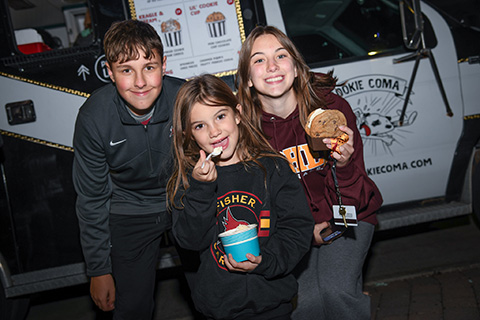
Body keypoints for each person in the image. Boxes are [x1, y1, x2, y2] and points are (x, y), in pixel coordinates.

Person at [236, 25, 383, 320]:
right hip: (290, 230)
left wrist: (343, 164)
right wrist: (302, 233)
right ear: (248, 78)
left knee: (336, 291)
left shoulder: (332, 110)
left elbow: (356, 193)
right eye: (259, 60)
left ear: (296, 65)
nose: (273, 66)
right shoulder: (246, 132)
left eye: (281, 55)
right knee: (306, 304)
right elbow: (258, 201)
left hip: (346, 215)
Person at [167, 74, 314, 320]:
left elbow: (297, 228)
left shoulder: (273, 168)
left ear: (237, 114)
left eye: (220, 116)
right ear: (189, 135)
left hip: (273, 303)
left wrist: (266, 261)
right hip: (220, 308)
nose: (214, 132)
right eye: (200, 125)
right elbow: (190, 241)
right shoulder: (189, 180)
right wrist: (201, 189)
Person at [72, 19, 184, 319]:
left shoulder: (186, 99)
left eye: (149, 67)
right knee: (131, 308)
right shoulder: (93, 117)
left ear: (164, 65)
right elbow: (91, 197)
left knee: (217, 290)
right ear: (110, 73)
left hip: (184, 200)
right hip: (129, 208)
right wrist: (98, 269)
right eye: (126, 70)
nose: (140, 82)